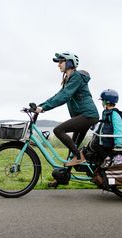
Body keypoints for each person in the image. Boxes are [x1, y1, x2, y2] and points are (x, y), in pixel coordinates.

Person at [35, 52, 99, 185]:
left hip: (87, 115)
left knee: (58, 130)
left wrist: (44, 108)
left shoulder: (76, 77)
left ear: (69, 63)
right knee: (72, 148)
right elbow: (59, 95)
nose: (58, 65)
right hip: (84, 116)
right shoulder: (69, 79)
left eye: (60, 62)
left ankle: (79, 157)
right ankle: (62, 178)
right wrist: (40, 106)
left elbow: (64, 96)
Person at [90, 89, 122, 168]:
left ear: (107, 102)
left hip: (109, 140)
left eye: (103, 101)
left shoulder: (114, 114)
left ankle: (108, 159)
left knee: (95, 145)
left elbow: (118, 128)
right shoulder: (106, 112)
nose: (102, 103)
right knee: (92, 145)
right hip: (104, 138)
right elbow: (102, 124)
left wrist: (119, 144)